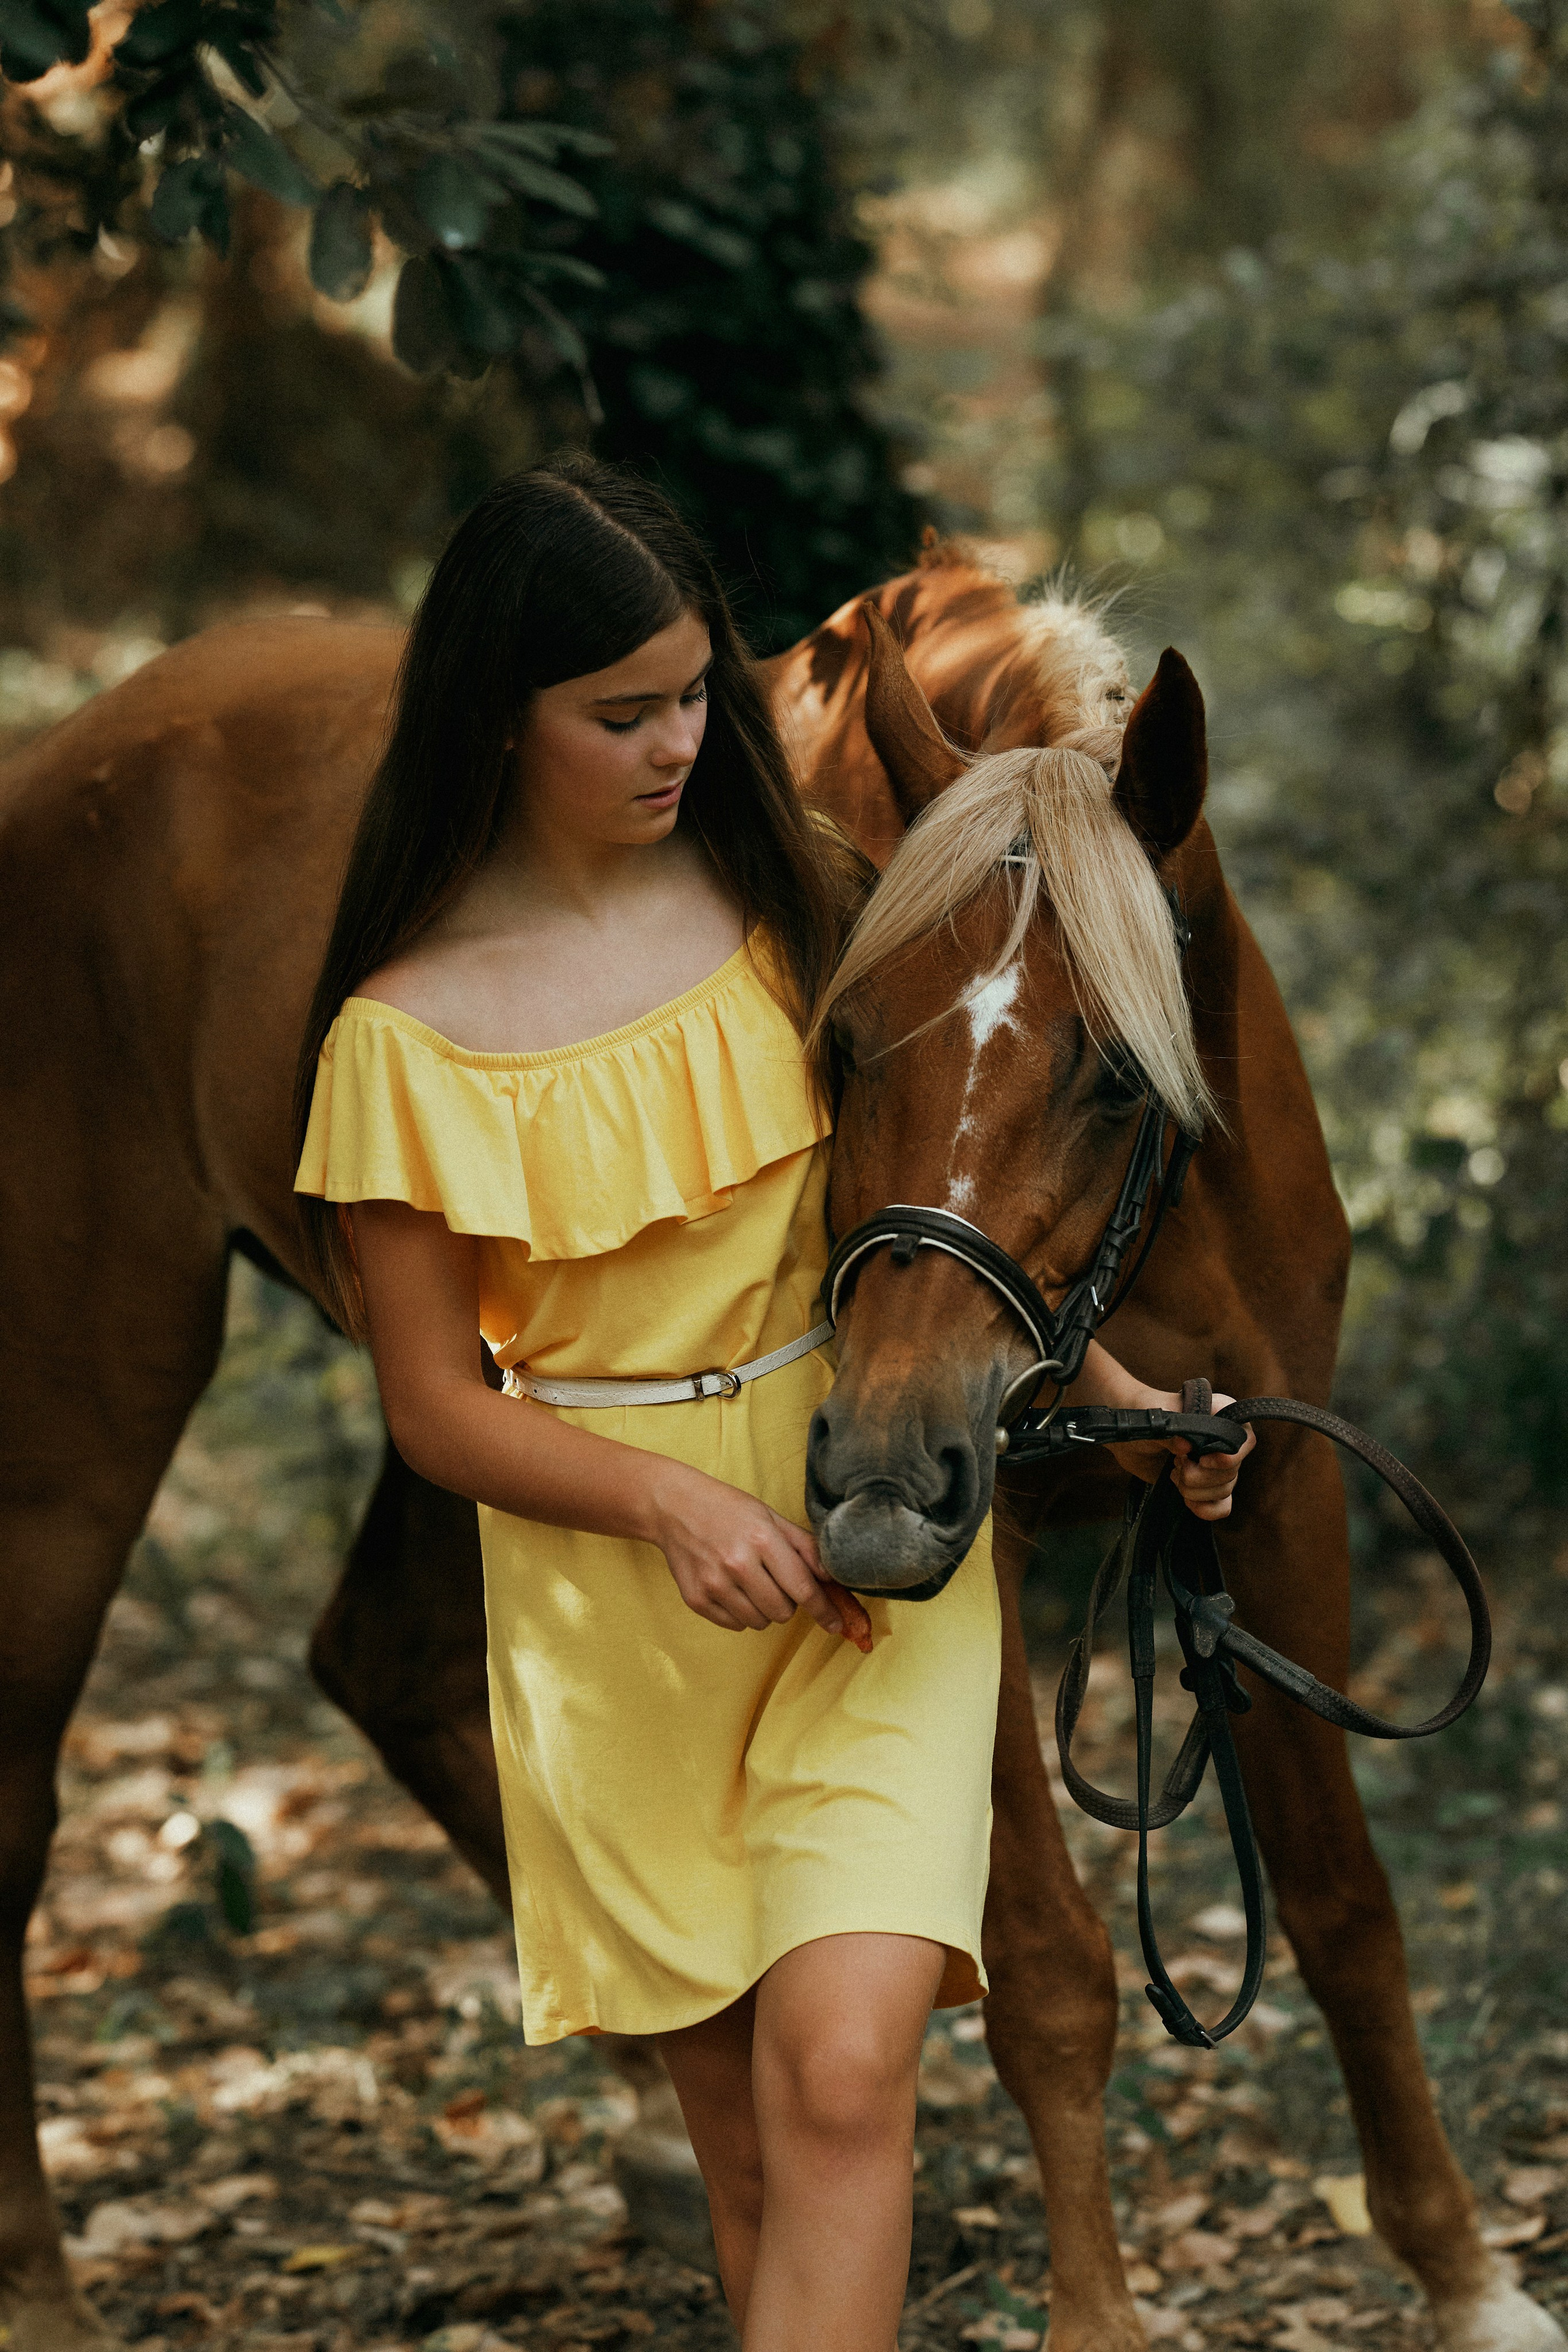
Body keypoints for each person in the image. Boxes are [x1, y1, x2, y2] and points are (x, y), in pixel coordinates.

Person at [292, 456, 1250, 2350]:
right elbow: (432, 1408)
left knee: (840, 2074)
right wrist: (669, 1509)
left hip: (857, 1540)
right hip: (616, 1611)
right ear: (499, 719)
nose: (677, 745)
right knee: (744, 2152)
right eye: (620, 710)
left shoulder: (797, 911)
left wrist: (1122, 1389)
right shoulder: (394, 1039)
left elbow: (927, 1202)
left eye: (692, 697)